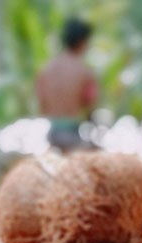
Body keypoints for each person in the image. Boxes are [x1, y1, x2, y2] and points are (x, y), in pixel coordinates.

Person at [37, 17, 97, 152]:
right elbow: (89, 104)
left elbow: (42, 104)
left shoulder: (46, 68)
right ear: (82, 41)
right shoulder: (84, 71)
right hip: (72, 134)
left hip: (51, 134)